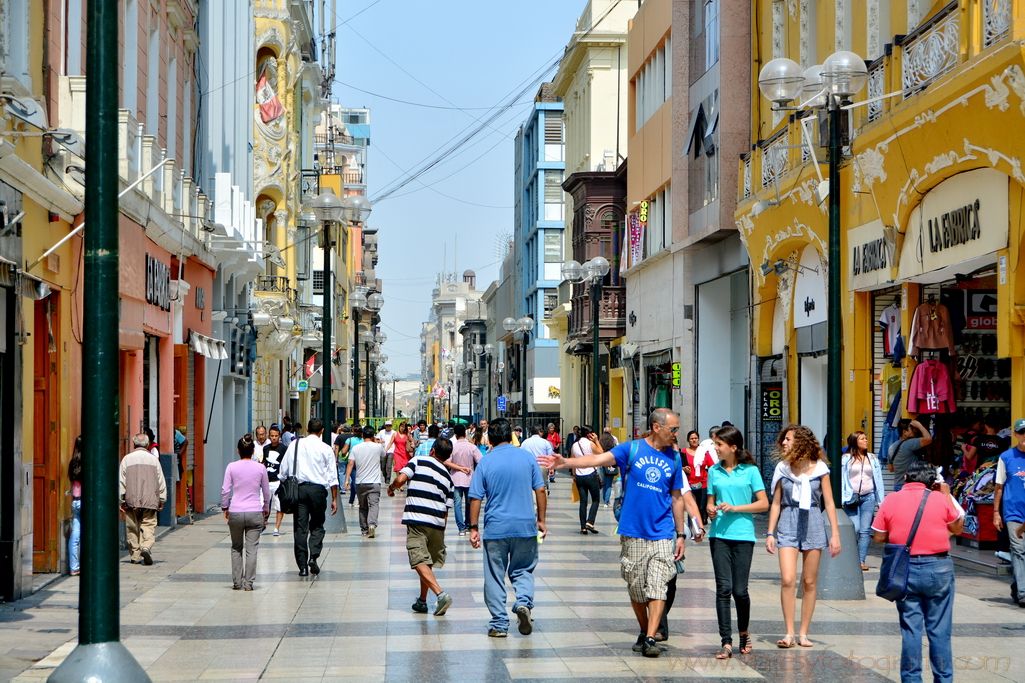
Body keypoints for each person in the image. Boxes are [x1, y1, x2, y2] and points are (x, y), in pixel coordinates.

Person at [543, 409, 704, 658]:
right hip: (633, 530)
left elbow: (677, 498)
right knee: (637, 588)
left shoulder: (674, 458)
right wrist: (565, 463)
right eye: (673, 429)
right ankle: (644, 630)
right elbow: (598, 460)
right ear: (656, 427)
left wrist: (681, 534)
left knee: (658, 585)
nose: (677, 434)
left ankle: (651, 637)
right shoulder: (632, 449)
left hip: (662, 532)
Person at [872, 460, 964, 683]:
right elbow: (957, 528)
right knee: (939, 629)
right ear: (932, 482)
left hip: (906, 570)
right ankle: (944, 679)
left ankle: (912, 679)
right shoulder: (939, 499)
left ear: (906, 478)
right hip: (939, 568)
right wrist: (946, 494)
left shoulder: (891, 500)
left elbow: (878, 536)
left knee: (911, 628)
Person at [468, 418, 547, 638]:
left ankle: (499, 624)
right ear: (510, 435)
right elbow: (540, 490)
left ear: (490, 438)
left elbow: (475, 497)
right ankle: (523, 603)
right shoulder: (527, 458)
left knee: (494, 575)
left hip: (496, 528)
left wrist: (473, 527)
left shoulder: (486, 461)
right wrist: (541, 520)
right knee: (523, 570)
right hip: (525, 527)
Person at [765, 425, 841, 649]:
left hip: (814, 522)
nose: (784, 444)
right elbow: (776, 503)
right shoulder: (782, 469)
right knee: (788, 579)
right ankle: (788, 632)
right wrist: (770, 532)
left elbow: (829, 503)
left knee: (809, 581)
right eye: (784, 440)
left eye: (788, 439)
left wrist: (835, 534)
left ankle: (803, 633)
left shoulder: (820, 470)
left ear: (801, 442)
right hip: (788, 519)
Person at [705, 425, 769, 659]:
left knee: (740, 591)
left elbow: (764, 504)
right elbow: (710, 501)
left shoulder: (750, 471)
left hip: (743, 535)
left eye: (719, 445)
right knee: (723, 589)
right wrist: (711, 510)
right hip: (719, 535)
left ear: (733, 447)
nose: (716, 448)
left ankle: (743, 632)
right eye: (715, 444)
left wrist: (736, 508)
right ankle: (726, 641)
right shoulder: (714, 471)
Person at [387, 437, 456, 616]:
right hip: (437, 524)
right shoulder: (448, 477)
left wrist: (392, 487)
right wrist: (442, 529)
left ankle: (440, 595)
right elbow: (447, 509)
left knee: (418, 560)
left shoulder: (418, 460)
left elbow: (401, 478)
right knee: (427, 563)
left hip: (418, 520)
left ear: (432, 450)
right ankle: (422, 601)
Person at [277, 419, 338, 577]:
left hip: (300, 490)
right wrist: (334, 499)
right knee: (317, 525)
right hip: (318, 491)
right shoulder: (326, 448)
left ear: (307, 428)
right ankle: (314, 556)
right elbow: (332, 476)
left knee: (300, 528)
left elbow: (283, 471)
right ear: (322, 431)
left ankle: (302, 566)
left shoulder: (295, 445)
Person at [221, 434, 271, 591]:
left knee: (236, 547)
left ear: (238, 451)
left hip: (235, 511)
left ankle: (237, 582)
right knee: (252, 549)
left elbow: (225, 490)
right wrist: (266, 508)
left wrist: (225, 507)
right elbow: (266, 491)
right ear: (253, 451)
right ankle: (248, 583)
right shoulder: (260, 468)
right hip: (255, 512)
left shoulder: (231, 467)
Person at [119, 433, 168, 565]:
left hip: (131, 500)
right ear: (147, 445)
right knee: (148, 525)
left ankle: (135, 555)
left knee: (132, 527)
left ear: (134, 444)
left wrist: (121, 500)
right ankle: (146, 546)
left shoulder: (126, 459)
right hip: (150, 499)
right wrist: (162, 499)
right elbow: (161, 481)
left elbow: (121, 482)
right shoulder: (153, 460)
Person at [841, 431, 887, 571]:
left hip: (869, 496)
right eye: (862, 438)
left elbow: (878, 479)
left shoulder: (872, 458)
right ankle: (851, 557)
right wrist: (841, 497)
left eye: (866, 438)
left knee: (865, 530)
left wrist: (881, 500)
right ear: (855, 441)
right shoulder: (846, 459)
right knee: (855, 528)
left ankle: (861, 560)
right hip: (851, 497)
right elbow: (842, 479)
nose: (866, 440)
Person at [993, 418, 1025, 606]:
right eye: (1021, 433)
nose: (1024, 437)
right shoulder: (1006, 457)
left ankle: (1017, 586)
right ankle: (1022, 593)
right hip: (1014, 513)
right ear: (1015, 435)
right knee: (1019, 550)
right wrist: (996, 513)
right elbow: (999, 487)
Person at [346, 425, 385, 537]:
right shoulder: (377, 447)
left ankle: (364, 530)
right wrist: (378, 443)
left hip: (360, 482)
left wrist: (347, 479)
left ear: (363, 435)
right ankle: (372, 524)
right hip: (374, 482)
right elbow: (384, 455)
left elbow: (350, 463)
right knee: (374, 504)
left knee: (363, 506)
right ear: (373, 436)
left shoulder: (356, 448)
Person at [448, 424, 482, 535]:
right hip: (470, 478)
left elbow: (446, 462)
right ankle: (468, 525)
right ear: (465, 433)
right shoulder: (472, 447)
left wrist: (458, 468)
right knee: (469, 503)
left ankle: (461, 528)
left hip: (456, 479)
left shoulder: (452, 447)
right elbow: (481, 461)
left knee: (457, 504)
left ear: (456, 434)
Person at [569, 425, 602, 534]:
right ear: (589, 434)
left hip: (579, 476)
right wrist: (597, 441)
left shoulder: (575, 445)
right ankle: (590, 522)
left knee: (583, 502)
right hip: (591, 475)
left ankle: (583, 527)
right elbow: (601, 453)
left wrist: (574, 476)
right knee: (596, 500)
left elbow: (573, 462)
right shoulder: (590, 444)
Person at [889, 419, 933, 492]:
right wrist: (919, 425)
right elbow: (928, 439)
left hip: (897, 485)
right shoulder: (909, 444)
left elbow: (891, 468)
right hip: (909, 487)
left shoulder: (892, 447)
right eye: (911, 429)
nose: (915, 431)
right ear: (904, 432)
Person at [684, 430, 716, 526]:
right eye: (691, 438)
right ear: (688, 440)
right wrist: (683, 469)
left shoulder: (704, 452)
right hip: (689, 484)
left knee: (701, 507)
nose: (694, 440)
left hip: (703, 483)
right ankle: (692, 528)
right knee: (691, 506)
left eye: (696, 438)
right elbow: (677, 466)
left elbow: (712, 466)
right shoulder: (683, 452)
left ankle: (700, 528)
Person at [263, 426, 288, 536]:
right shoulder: (266, 448)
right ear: (269, 436)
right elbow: (264, 463)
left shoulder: (283, 449)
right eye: (272, 436)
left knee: (279, 505)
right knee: (263, 505)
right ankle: (263, 524)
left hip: (278, 481)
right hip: (266, 481)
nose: (274, 438)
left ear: (279, 436)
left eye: (276, 436)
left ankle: (276, 528)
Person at [520, 424, 555, 492]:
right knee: (542, 487)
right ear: (540, 432)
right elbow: (550, 456)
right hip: (542, 467)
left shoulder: (525, 442)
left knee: (530, 487)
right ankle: (542, 501)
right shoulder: (545, 442)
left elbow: (521, 456)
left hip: (528, 468)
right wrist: (551, 469)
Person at [67, 436, 83, 576]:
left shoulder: (73, 463)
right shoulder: (88, 462)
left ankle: (74, 567)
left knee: (75, 535)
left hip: (75, 501)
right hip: (85, 501)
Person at [339, 426, 362, 506]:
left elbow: (344, 451)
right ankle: (351, 500)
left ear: (353, 431)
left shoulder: (350, 440)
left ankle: (358, 500)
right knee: (356, 482)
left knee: (355, 482)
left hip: (353, 463)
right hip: (362, 463)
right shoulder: (363, 440)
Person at [598, 429, 618, 507]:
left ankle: (604, 499)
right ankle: (606, 501)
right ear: (610, 432)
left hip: (602, 462)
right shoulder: (614, 439)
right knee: (609, 483)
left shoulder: (601, 439)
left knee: (604, 483)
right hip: (611, 463)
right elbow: (617, 450)